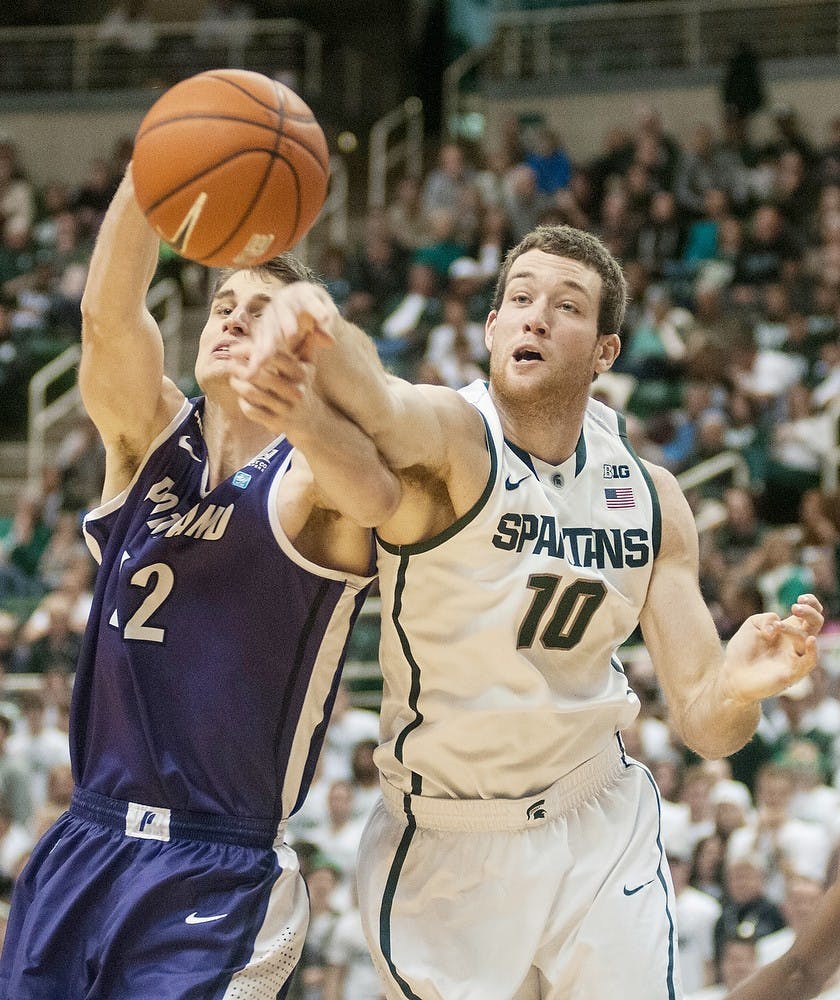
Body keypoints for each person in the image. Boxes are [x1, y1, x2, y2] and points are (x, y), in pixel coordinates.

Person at [236, 223, 824, 1000]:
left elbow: (708, 727)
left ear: (606, 352)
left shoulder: (650, 496)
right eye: (518, 299)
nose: (535, 317)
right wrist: (314, 322)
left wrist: (740, 688)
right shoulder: (454, 436)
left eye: (566, 306)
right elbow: (380, 403)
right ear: (490, 329)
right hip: (447, 839)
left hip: (596, 817)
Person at [0, 165, 399, 999]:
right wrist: (153, 176)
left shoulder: (307, 477)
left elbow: (377, 495)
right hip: (87, 837)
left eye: (260, 313)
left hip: (221, 865)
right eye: (224, 305)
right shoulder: (151, 442)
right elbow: (107, 318)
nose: (231, 319)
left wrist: (306, 397)